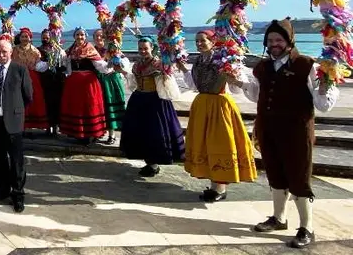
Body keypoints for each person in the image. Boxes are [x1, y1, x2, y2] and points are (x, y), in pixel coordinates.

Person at [229, 18, 339, 249]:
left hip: (296, 133)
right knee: (276, 176)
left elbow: (323, 105)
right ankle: (279, 218)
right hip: (268, 130)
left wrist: (323, 86)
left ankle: (306, 228)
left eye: (279, 39)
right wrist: (238, 82)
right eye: (270, 40)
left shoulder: (308, 66)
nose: (274, 43)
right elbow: (254, 94)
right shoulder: (262, 66)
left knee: (299, 179)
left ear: (289, 41)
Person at [177, 30, 256, 202]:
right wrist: (182, 67)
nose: (199, 43)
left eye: (203, 40)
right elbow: (193, 84)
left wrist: (234, 75)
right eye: (197, 41)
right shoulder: (198, 60)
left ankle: (221, 188)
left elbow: (235, 87)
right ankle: (214, 186)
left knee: (220, 143)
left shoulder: (223, 58)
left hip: (219, 105)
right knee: (205, 144)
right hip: (202, 105)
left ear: (213, 41)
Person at [118, 36, 185, 177]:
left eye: (145, 48)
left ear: (152, 48)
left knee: (154, 133)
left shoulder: (159, 64)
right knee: (140, 133)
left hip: (154, 101)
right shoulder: (137, 65)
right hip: (138, 100)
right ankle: (149, 163)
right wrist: (123, 72)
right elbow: (133, 82)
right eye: (140, 49)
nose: (143, 51)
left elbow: (168, 83)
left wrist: (167, 72)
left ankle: (153, 163)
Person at [0, 39, 33, 213]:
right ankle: (3, 190)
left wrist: (15, 111)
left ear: (11, 52)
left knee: (17, 161)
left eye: (5, 52)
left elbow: (28, 96)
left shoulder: (20, 69)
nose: (1, 55)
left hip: (13, 123)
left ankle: (18, 194)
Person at [59, 27, 111, 144]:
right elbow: (66, 65)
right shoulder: (70, 50)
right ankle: (76, 132)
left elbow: (99, 64)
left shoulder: (90, 48)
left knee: (89, 107)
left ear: (85, 36)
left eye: (82, 35)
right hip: (74, 83)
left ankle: (89, 134)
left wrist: (111, 66)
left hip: (88, 83)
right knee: (76, 107)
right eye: (77, 35)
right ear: (74, 37)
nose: (79, 37)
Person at [92, 29, 127, 144]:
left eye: (101, 36)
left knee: (110, 106)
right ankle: (100, 131)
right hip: (97, 81)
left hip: (111, 80)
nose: (98, 38)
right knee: (100, 107)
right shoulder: (91, 50)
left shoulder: (112, 49)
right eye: (96, 36)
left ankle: (112, 135)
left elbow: (123, 61)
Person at [11, 27, 49, 131]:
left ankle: (30, 127)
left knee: (33, 99)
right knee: (19, 99)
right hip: (18, 77)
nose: (24, 39)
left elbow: (38, 65)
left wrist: (49, 64)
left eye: (26, 36)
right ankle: (20, 126)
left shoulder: (35, 50)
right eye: (22, 36)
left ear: (30, 38)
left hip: (32, 77)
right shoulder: (14, 50)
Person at [38, 29, 66, 135]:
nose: (45, 39)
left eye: (47, 37)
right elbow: (37, 64)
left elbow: (64, 63)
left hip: (57, 80)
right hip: (45, 80)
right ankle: (48, 126)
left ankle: (56, 126)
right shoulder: (38, 50)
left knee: (57, 103)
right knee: (46, 103)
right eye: (43, 37)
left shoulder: (58, 49)